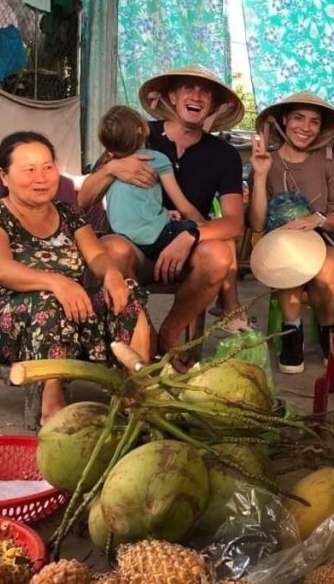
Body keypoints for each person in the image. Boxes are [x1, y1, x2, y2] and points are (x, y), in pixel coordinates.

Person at [0, 132, 152, 425]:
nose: (41, 177)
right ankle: (51, 404)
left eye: (48, 167)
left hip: (73, 311)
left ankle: (137, 392)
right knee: (47, 304)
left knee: (126, 294)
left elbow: (97, 256)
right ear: (4, 176)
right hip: (7, 324)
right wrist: (57, 282)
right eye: (29, 170)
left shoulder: (69, 213)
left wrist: (113, 273)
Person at [77, 65, 246, 369]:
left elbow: (234, 222)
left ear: (213, 105)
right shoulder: (137, 133)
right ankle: (146, 342)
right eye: (189, 88)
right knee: (113, 249)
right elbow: (84, 197)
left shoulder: (224, 154)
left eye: (205, 91)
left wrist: (190, 234)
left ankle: (170, 334)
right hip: (133, 248)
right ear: (172, 95)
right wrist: (110, 169)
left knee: (220, 254)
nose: (197, 96)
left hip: (183, 245)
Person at [248, 92, 334, 373]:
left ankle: (329, 331)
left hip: (327, 240)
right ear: (284, 120)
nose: (305, 127)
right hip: (282, 247)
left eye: (314, 122)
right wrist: (259, 176)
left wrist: (316, 220)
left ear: (321, 127)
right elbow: (257, 224)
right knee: (289, 264)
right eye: (298, 118)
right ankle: (292, 334)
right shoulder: (266, 161)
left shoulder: (328, 161)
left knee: (325, 272)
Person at [96, 105, 207, 260]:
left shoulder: (107, 164)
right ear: (141, 130)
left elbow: (134, 202)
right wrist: (205, 226)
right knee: (190, 228)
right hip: (156, 238)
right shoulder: (155, 159)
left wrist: (166, 213)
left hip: (123, 236)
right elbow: (182, 204)